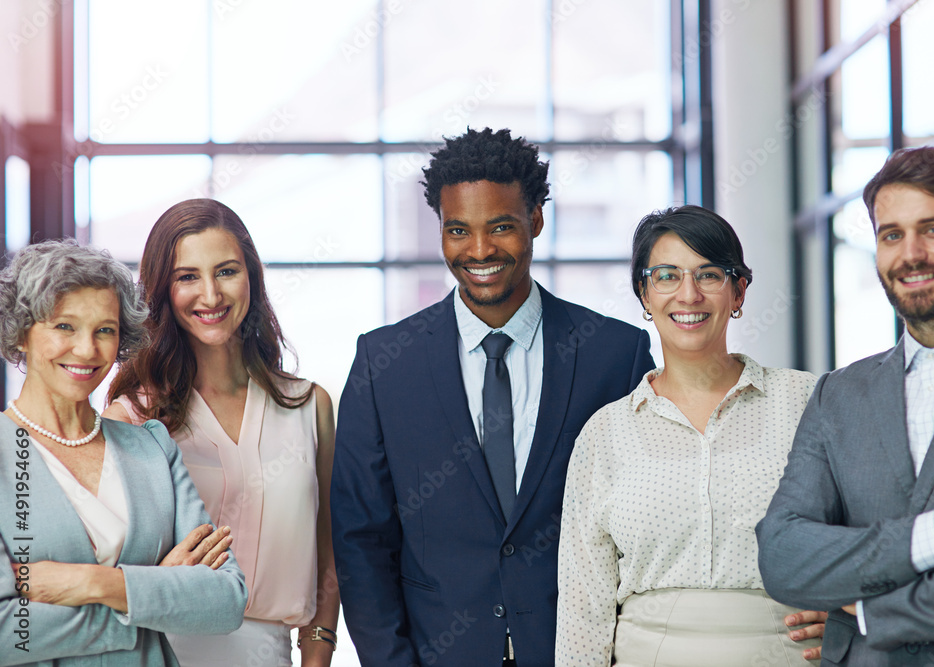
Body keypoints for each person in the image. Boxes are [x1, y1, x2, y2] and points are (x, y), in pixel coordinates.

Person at [330, 127, 655, 667]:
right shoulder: (383, 364)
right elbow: (361, 538)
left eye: (500, 227)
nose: (479, 250)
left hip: (581, 653)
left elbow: (645, 520)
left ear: (536, 221)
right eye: (459, 230)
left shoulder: (614, 356)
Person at [757, 146, 934, 664]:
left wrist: (865, 613)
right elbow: (782, 556)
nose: (911, 254)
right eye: (892, 234)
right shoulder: (838, 394)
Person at [555, 206, 825, 665]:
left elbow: (870, 534)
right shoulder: (606, 433)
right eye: (666, 275)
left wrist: (855, 611)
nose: (688, 294)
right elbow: (584, 606)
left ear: (738, 291)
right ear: (644, 293)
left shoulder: (809, 402)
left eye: (709, 275)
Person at [103, 199, 339, 667]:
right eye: (187, 277)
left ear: (251, 275)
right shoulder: (130, 417)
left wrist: (317, 656)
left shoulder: (310, 407)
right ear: (163, 291)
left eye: (226, 271)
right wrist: (155, 581)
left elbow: (328, 558)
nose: (210, 295)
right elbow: (105, 569)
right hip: (163, 651)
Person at [0, 239, 247, 666]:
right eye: (64, 326)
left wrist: (94, 583)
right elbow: (7, 633)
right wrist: (152, 596)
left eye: (105, 330)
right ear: (22, 332)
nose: (87, 349)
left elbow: (225, 600)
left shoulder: (150, 447)